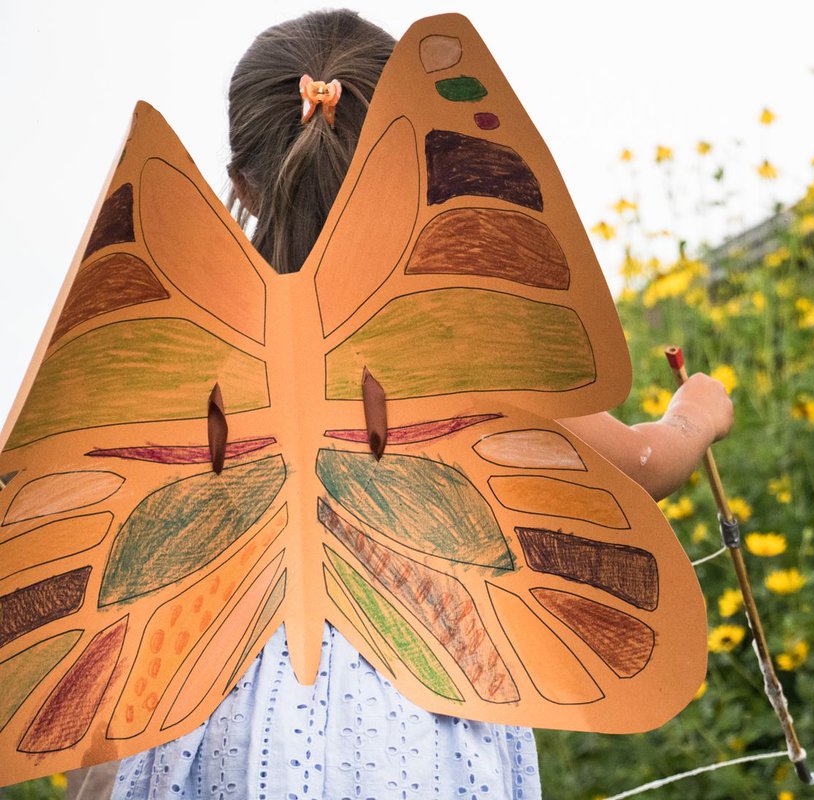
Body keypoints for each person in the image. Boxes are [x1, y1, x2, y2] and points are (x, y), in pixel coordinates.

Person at [69, 9, 732, 799]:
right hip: (421, 694)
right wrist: (696, 413)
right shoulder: (451, 324)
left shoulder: (182, 334)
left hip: (213, 706)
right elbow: (641, 466)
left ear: (241, 183)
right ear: (415, 166)